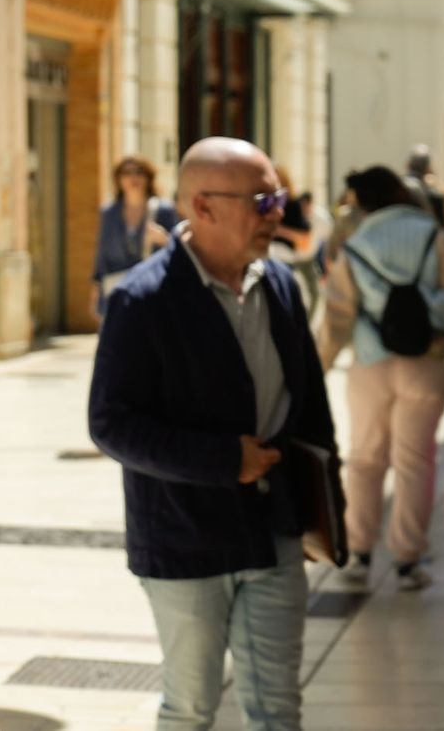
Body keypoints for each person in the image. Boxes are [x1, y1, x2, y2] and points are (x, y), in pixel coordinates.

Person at [89, 137, 339, 731]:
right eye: (262, 199)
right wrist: (224, 459)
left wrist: (327, 507)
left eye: (277, 197)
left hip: (273, 533)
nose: (278, 212)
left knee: (278, 709)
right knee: (191, 709)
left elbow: (312, 410)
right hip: (183, 537)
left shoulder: (281, 286)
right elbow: (110, 423)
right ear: (202, 207)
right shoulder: (141, 299)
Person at [318, 167, 444, 591]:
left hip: (370, 364)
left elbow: (336, 318)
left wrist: (318, 368)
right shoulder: (435, 238)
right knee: (416, 462)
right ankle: (407, 559)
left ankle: (358, 553)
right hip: (426, 364)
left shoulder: (357, 245)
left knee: (365, 461)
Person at [91, 155, 180, 318]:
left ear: (148, 177)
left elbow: (181, 249)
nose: (133, 178)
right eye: (127, 173)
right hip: (117, 287)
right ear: (118, 179)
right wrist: (97, 286)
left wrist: (164, 239)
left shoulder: (164, 210)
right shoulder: (109, 212)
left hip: (154, 288)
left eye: (139, 172)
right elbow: (102, 251)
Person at [403, 144, 444, 227]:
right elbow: (441, 232)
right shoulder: (435, 196)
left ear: (407, 164)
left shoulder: (392, 191)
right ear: (428, 169)